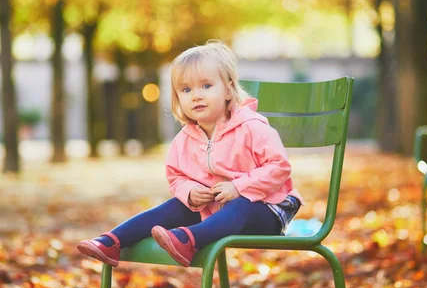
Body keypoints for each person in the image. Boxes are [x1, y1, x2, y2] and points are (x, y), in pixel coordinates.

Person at [77, 40, 302, 267]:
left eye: (206, 86)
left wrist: (239, 187)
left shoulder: (252, 126)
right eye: (186, 90)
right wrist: (190, 191)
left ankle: (189, 240)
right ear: (178, 98)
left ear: (227, 89)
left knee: (242, 204)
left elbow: (279, 167)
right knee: (177, 205)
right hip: (216, 212)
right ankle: (113, 241)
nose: (196, 96)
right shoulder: (185, 139)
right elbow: (176, 176)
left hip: (267, 210)